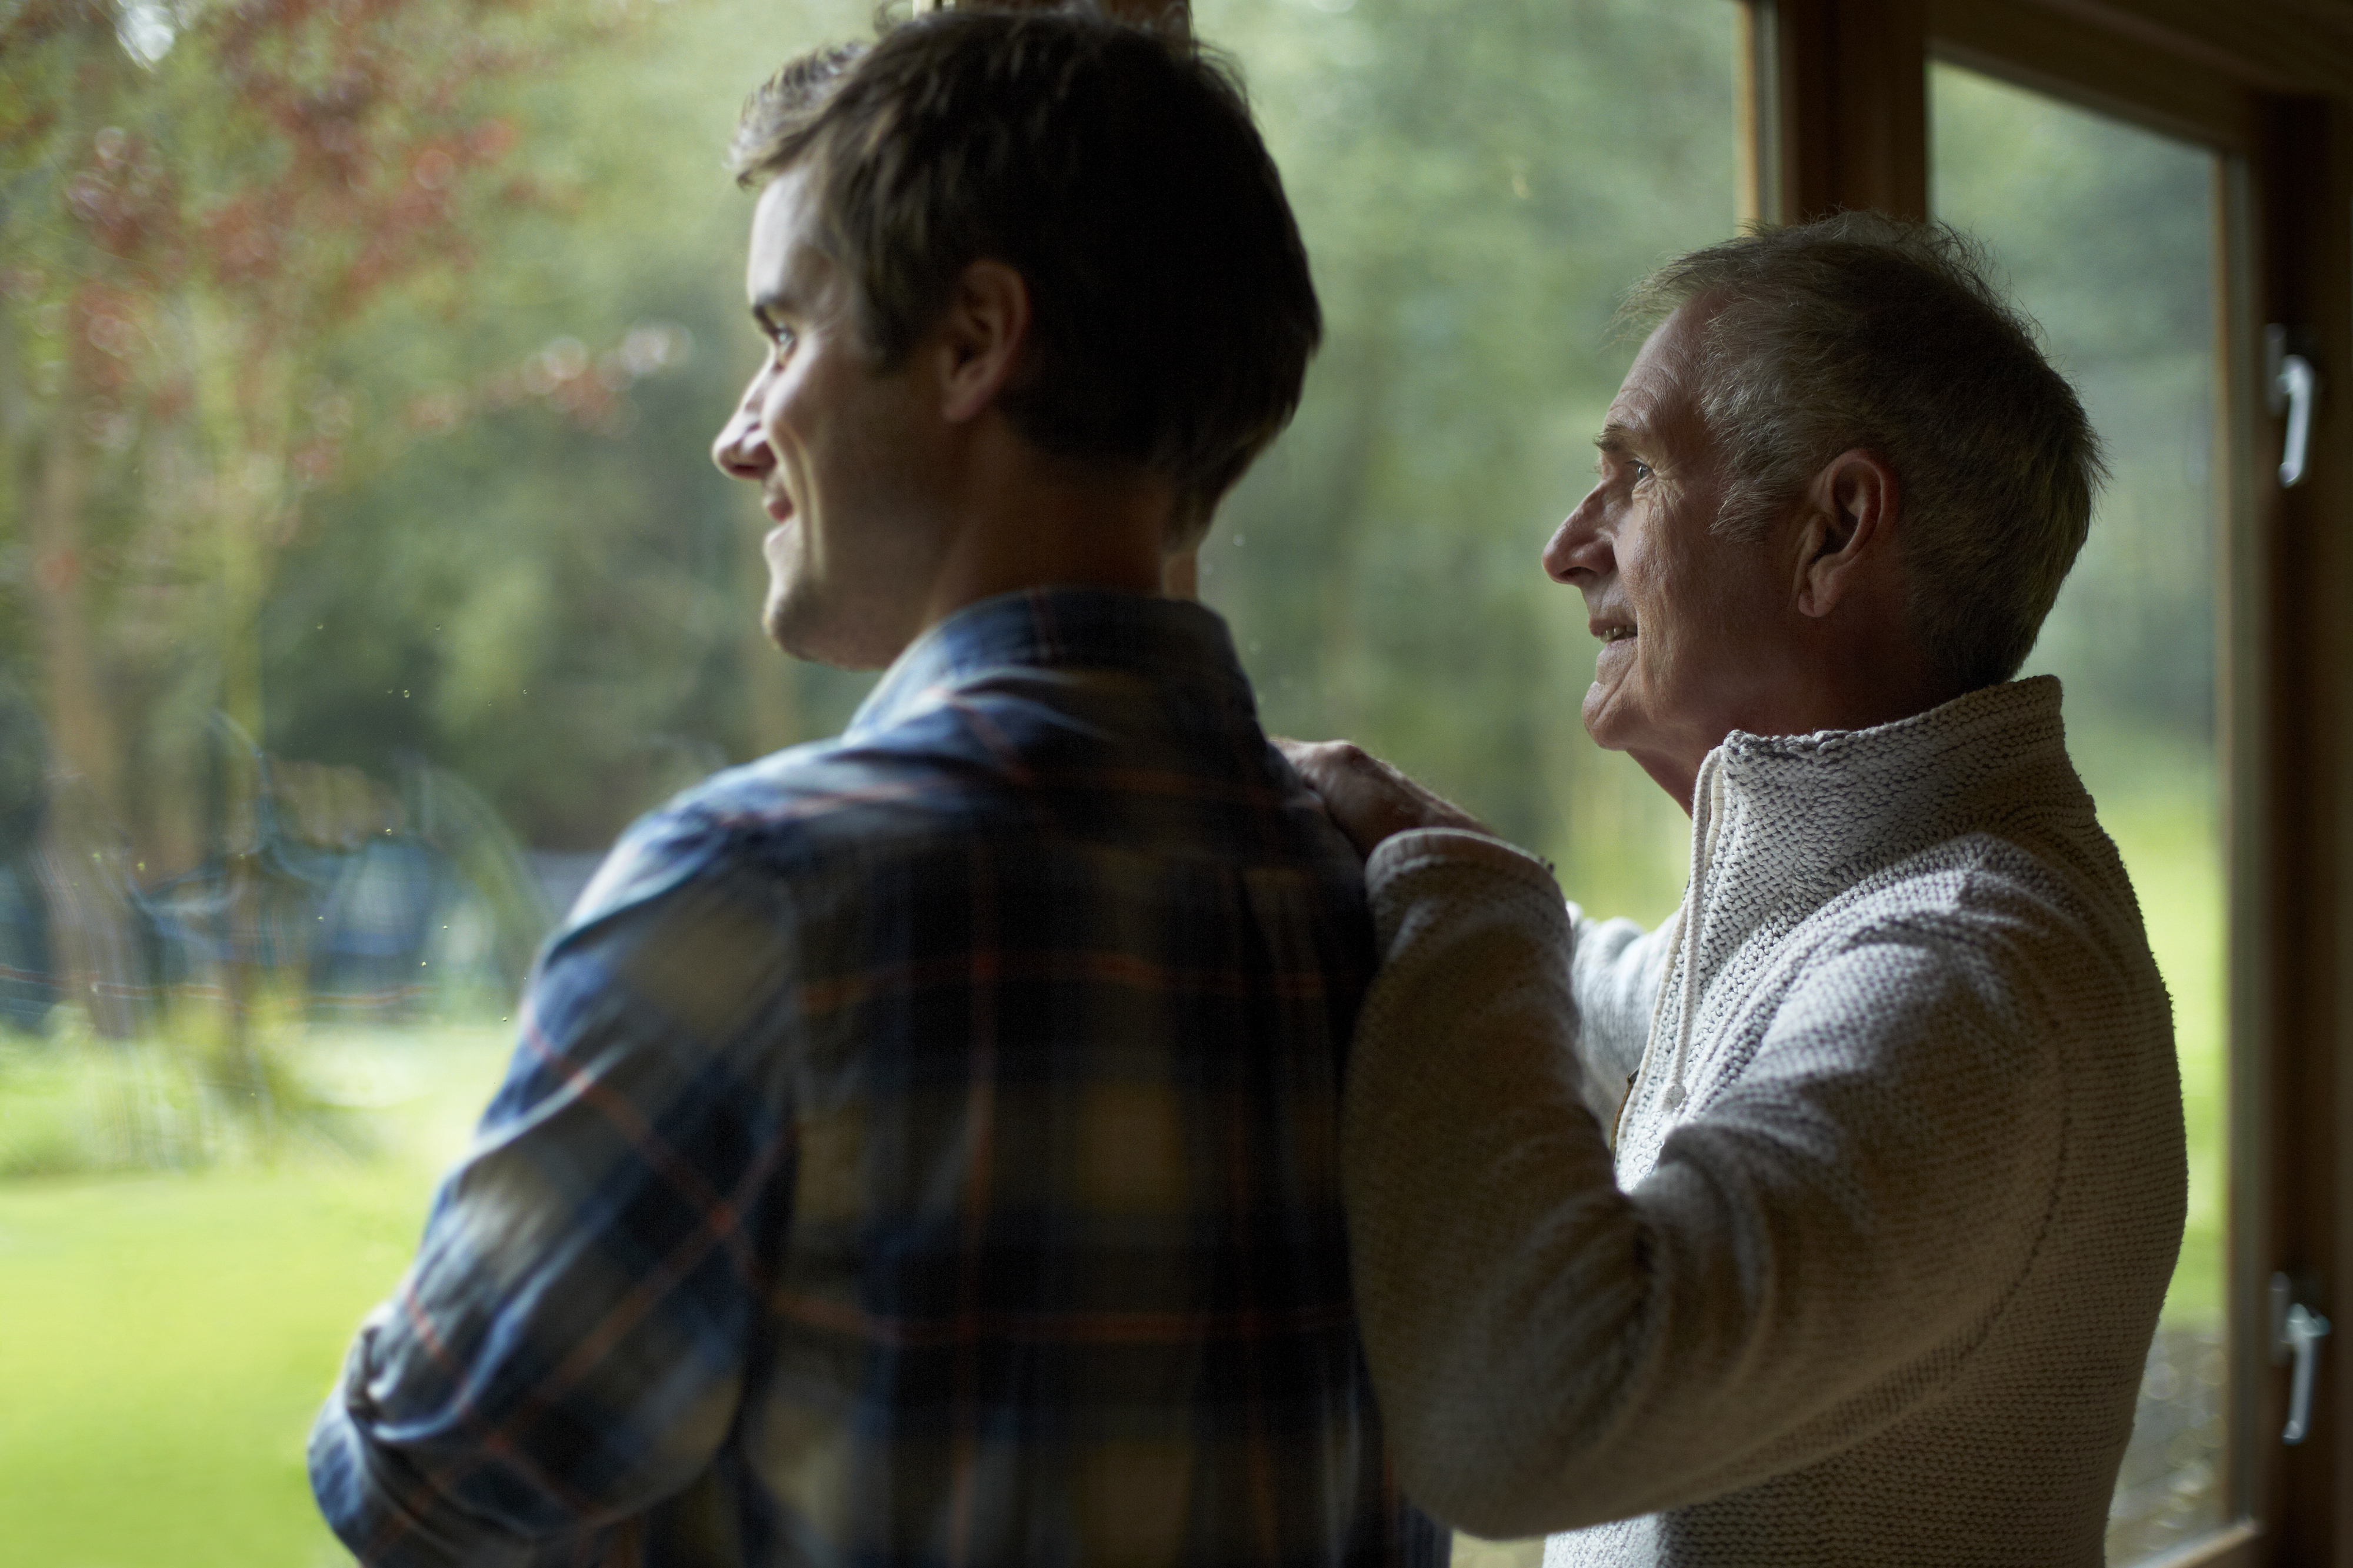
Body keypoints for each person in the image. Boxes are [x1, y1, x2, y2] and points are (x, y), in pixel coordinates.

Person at [308, 10, 1444, 1565]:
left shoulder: (760, 897)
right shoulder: (1390, 906)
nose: (739, 430)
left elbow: (422, 1486)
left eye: (784, 333)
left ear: (975, 338)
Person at [1284, 213, 2188, 1566]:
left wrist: (1467, 906)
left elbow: (1532, 1415)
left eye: (1633, 472)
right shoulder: (1866, 913)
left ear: (1831, 530)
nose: (1564, 546)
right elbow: (1619, 998)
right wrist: (1417, 850)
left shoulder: (1966, 974)